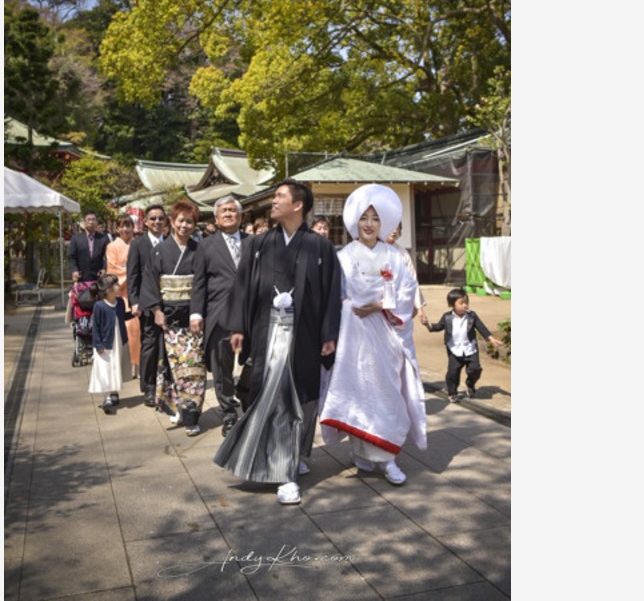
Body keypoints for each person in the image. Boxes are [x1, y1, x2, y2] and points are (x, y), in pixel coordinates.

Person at [213, 179, 342, 506]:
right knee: (274, 396)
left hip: (304, 334)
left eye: (280, 196)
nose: (273, 201)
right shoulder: (259, 244)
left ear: (298, 205)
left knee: (300, 398)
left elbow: (331, 293)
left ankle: (292, 457)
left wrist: (329, 334)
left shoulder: (320, 247)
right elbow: (243, 286)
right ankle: (284, 469)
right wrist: (238, 326)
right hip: (266, 332)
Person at [318, 183, 427, 487]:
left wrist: (380, 304)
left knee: (387, 393)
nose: (369, 224)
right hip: (353, 334)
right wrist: (351, 307)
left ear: (384, 223)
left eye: (375, 218)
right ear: (355, 221)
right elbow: (334, 295)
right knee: (359, 393)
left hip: (386, 332)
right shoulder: (343, 256)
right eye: (364, 218)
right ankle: (361, 452)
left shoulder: (393, 255)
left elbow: (406, 290)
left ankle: (388, 458)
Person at [139, 200, 205, 436]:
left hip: (193, 317)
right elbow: (150, 281)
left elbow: (201, 284)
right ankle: (177, 407)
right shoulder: (159, 251)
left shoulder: (199, 249)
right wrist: (156, 311)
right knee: (170, 366)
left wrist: (197, 313)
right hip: (168, 318)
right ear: (172, 222)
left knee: (193, 368)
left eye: (190, 222)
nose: (185, 225)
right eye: (181, 221)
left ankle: (192, 415)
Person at [190, 195, 249, 437]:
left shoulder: (254, 242)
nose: (228, 214)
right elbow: (199, 282)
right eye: (223, 211)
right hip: (220, 312)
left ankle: (245, 394)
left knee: (254, 362)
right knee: (221, 367)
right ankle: (228, 414)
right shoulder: (206, 245)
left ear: (240, 216)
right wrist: (196, 313)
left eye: (232, 210)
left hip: (250, 313)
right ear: (216, 218)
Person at [426, 288, 504, 402]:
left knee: (475, 369)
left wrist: (491, 339)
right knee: (453, 373)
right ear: (452, 304)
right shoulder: (447, 317)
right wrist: (428, 325)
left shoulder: (472, 315)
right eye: (461, 303)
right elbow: (438, 326)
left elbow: (481, 327)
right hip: (454, 350)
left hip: (470, 348)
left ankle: (470, 384)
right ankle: (452, 392)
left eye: (466, 302)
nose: (465, 305)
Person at [127, 204, 168, 404]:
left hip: (169, 301)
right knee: (149, 344)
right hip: (146, 302)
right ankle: (149, 387)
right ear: (145, 222)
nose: (157, 222)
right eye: (153, 218)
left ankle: (167, 384)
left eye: (160, 218)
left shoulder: (171, 241)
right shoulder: (138, 244)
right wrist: (134, 301)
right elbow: (132, 274)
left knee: (167, 344)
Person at [88, 274, 135, 413]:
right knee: (105, 369)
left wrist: (134, 313)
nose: (119, 286)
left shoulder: (119, 302)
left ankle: (114, 393)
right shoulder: (99, 306)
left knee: (116, 366)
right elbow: (96, 327)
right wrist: (98, 344)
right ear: (108, 290)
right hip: (105, 344)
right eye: (116, 285)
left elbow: (122, 316)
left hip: (119, 341)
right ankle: (107, 396)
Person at [105, 214, 143, 380]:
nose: (126, 229)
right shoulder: (112, 247)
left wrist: (134, 273)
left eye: (128, 225)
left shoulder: (137, 244)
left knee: (137, 331)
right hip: (121, 294)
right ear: (117, 229)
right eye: (122, 226)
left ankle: (138, 366)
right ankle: (125, 366)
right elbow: (113, 270)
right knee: (124, 331)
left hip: (137, 293)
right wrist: (133, 273)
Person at [67, 210, 109, 284]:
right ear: (84, 222)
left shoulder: (103, 238)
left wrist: (104, 269)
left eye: (93, 219)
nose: (91, 222)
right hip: (81, 277)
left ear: (96, 222)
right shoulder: (76, 238)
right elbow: (71, 256)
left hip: (98, 278)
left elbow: (108, 256)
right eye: (89, 219)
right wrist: (74, 270)